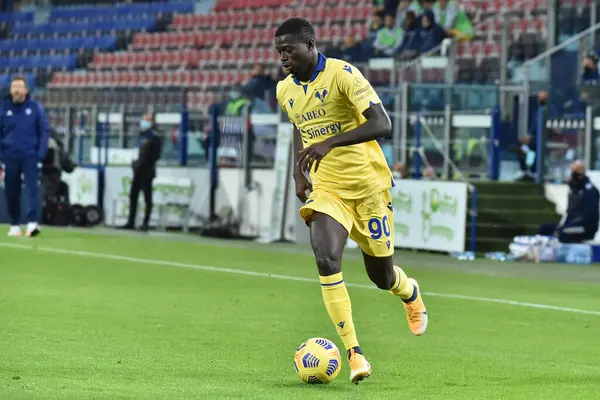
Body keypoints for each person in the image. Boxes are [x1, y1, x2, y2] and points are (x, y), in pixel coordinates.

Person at [275, 18, 427, 385]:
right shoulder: (284, 90)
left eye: (289, 50)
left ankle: (409, 291)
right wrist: (299, 172)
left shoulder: (344, 75)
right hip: (328, 188)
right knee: (326, 258)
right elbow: (299, 124)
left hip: (368, 187)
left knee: (382, 276)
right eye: (279, 51)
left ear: (310, 45)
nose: (283, 58)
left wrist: (329, 143)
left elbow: (382, 124)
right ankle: (355, 353)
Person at [0, 76, 49, 237]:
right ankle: (14, 224)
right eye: (14, 87)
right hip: (9, 157)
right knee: (11, 191)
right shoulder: (3, 108)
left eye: (20, 87)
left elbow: (44, 132)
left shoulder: (36, 108)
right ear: (11, 90)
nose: (17, 90)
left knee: (32, 189)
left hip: (30, 156)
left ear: (26, 90)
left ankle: (32, 222)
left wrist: (40, 154)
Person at [538, 160, 600, 243]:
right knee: (544, 228)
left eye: (576, 174)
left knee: (562, 232)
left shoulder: (590, 190)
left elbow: (588, 217)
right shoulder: (574, 189)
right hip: (572, 223)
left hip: (585, 227)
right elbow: (570, 212)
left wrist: (566, 226)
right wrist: (564, 225)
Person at [122, 112, 162, 231]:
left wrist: (144, 163)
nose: (143, 123)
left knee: (147, 198)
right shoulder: (141, 135)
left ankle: (145, 223)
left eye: (146, 120)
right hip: (137, 171)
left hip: (147, 171)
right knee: (133, 196)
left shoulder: (154, 137)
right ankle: (131, 221)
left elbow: (155, 155)